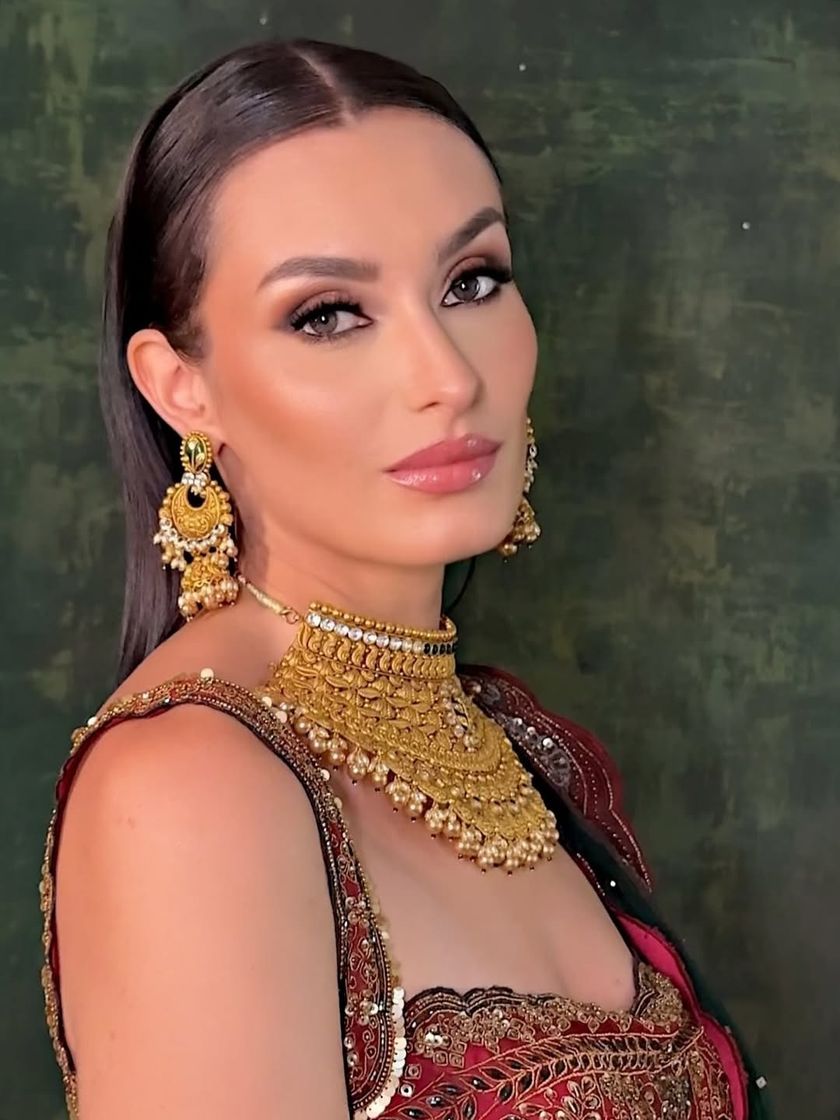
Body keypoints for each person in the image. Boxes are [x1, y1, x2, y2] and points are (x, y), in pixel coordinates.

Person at [37, 38, 771, 1120]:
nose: (448, 376)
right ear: (183, 387)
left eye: (472, 282)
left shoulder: (509, 738)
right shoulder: (192, 790)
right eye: (329, 313)